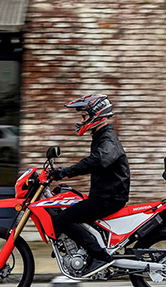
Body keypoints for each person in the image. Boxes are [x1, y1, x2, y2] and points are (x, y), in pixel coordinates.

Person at [48, 93, 130, 277]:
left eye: (84, 116)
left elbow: (98, 160)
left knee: (64, 219)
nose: (82, 120)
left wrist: (65, 172)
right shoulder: (101, 136)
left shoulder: (108, 138)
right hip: (104, 194)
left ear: (96, 115)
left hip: (109, 197)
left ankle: (100, 257)